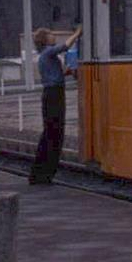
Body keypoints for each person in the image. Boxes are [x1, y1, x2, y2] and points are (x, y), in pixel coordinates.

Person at [29, 25, 81, 185]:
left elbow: (56, 73)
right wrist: (78, 33)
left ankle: (43, 173)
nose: (54, 36)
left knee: (51, 133)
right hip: (54, 94)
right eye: (51, 34)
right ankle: (43, 174)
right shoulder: (48, 52)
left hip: (52, 93)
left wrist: (69, 72)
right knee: (54, 133)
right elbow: (65, 46)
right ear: (45, 39)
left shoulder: (46, 56)